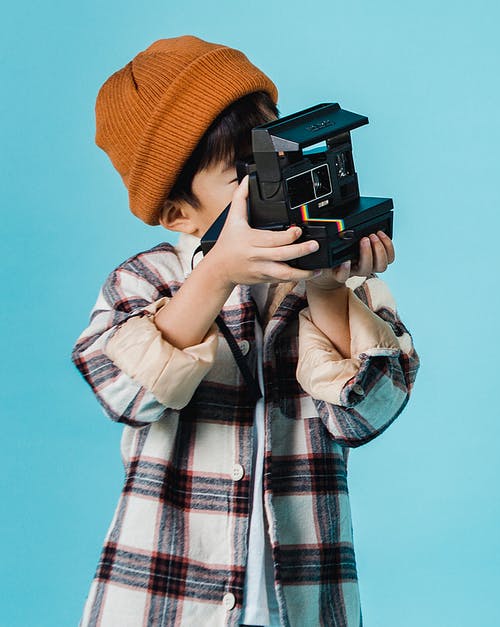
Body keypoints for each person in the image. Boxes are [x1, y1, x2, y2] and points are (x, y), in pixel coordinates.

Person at [73, 35, 418, 626]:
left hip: (304, 601)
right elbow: (125, 392)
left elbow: (368, 413)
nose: (274, 179)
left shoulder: (336, 283)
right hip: (162, 597)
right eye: (244, 173)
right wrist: (216, 276)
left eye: (278, 156)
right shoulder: (146, 281)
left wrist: (329, 288)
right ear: (180, 212)